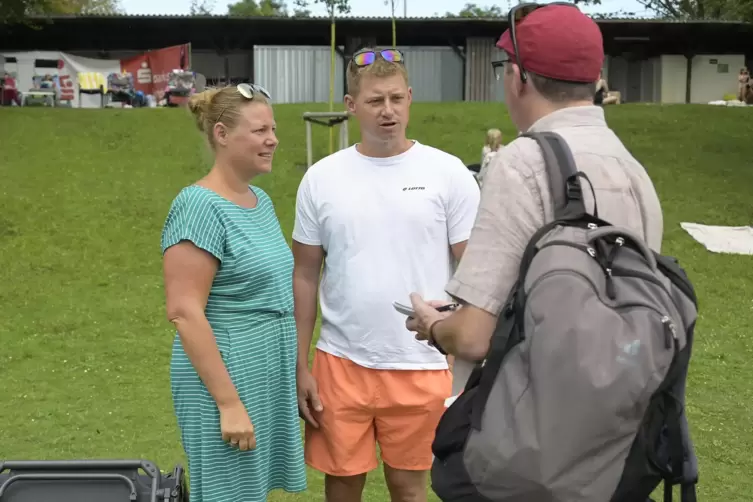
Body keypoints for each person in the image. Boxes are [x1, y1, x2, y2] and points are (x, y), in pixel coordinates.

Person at [406, 3, 663, 366]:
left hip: (536, 407)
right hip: (621, 398)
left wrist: (435, 326)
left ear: (517, 77)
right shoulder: (631, 167)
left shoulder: (523, 163)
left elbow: (473, 337)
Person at [292, 47, 480, 502]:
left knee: (409, 487)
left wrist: (463, 346)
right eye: (375, 101)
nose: (388, 111)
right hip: (340, 362)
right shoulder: (321, 178)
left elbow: (475, 272)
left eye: (396, 98)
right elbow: (304, 275)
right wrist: (300, 364)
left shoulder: (448, 173)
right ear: (351, 105)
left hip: (424, 361)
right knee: (341, 486)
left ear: (411, 98)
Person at [160, 84, 306, 502]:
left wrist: (295, 371)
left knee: (250, 492)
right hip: (227, 374)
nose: (273, 139)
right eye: (260, 130)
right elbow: (185, 310)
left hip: (265, 369)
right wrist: (228, 403)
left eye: (273, 129)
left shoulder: (258, 200)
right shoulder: (198, 206)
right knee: (230, 493)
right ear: (222, 134)